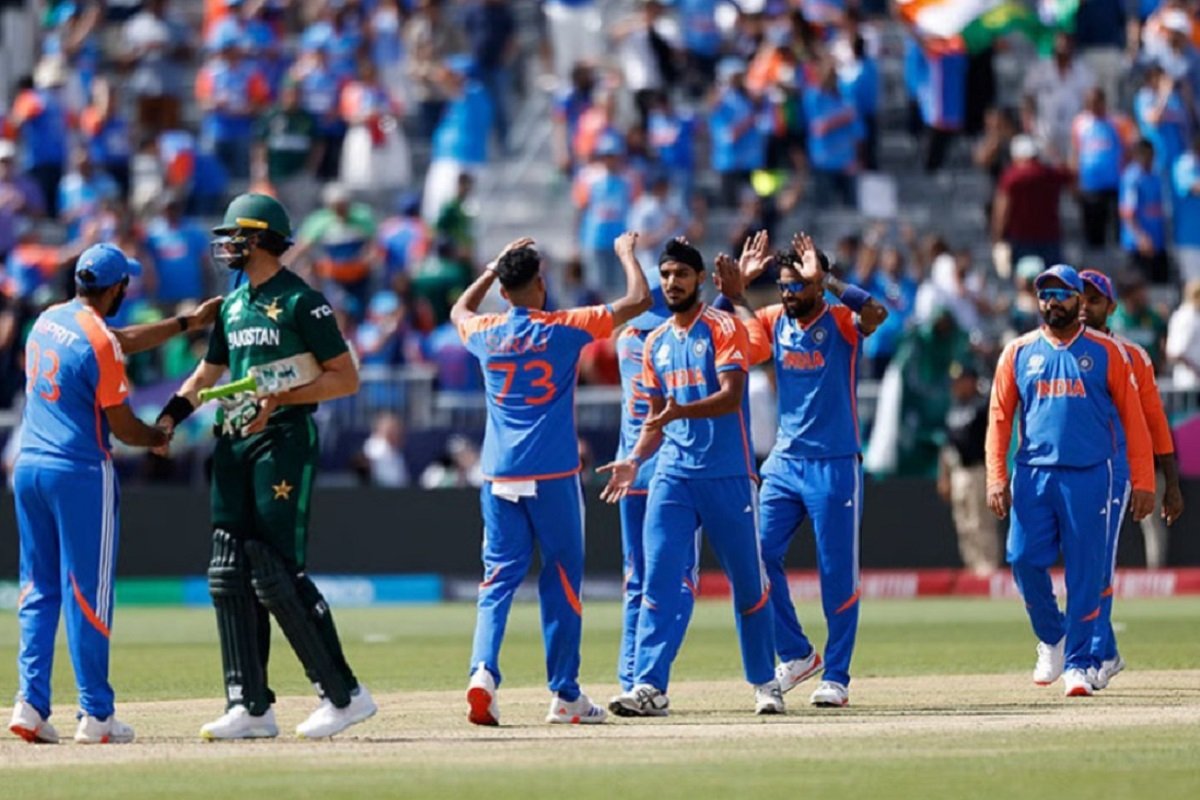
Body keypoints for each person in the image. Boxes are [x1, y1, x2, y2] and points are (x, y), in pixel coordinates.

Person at [154, 193, 377, 740]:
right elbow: (207, 375)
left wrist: (280, 399)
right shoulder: (232, 304)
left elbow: (345, 378)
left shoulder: (303, 302)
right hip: (233, 442)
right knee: (227, 570)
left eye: (235, 236)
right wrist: (170, 417)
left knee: (274, 571)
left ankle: (344, 695)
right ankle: (250, 706)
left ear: (258, 239)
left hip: (282, 441)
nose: (227, 245)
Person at [9, 243, 220, 745]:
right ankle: (96, 715)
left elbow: (116, 340)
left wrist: (186, 323)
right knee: (89, 592)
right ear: (118, 289)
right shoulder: (98, 342)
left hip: (29, 467)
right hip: (79, 472)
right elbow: (124, 426)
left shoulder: (49, 319)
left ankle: (30, 705)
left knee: (38, 589)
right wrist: (157, 436)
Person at [450, 231, 651, 726]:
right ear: (541, 283)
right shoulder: (565, 328)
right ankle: (564, 694)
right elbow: (639, 301)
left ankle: (482, 672)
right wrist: (626, 254)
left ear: (503, 290)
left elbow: (458, 310)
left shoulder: (486, 331)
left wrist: (491, 268)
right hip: (554, 475)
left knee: (497, 580)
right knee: (561, 580)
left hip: (498, 474)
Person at [598, 238, 782, 717]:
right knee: (658, 582)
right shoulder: (654, 343)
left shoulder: (723, 326)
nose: (671, 283)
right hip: (673, 476)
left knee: (748, 584)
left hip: (727, 475)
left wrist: (680, 411)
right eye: (665, 275)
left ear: (699, 279)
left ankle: (765, 682)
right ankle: (649, 685)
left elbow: (731, 395)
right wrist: (635, 459)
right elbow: (656, 419)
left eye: (681, 274)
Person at [725, 231, 888, 709]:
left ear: (817, 284)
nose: (789, 293)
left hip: (834, 463)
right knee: (754, 557)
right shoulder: (773, 319)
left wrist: (831, 281)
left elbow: (877, 314)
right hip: (784, 461)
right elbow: (727, 337)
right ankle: (796, 653)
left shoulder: (840, 321)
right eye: (783, 285)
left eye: (798, 285)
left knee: (836, 573)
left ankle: (836, 675)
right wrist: (736, 291)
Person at [986, 264, 1155, 698]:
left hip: (1090, 474)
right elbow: (1000, 418)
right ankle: (1053, 638)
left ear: (1078, 300)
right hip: (1033, 474)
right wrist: (996, 476)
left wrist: (1144, 480)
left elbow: (1135, 421)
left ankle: (1079, 664)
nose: (1052, 302)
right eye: (1045, 294)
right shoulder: (1018, 352)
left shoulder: (1107, 352)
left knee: (1086, 573)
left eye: (1061, 294)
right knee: (1022, 558)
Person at [1079, 269, 1184, 685]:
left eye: (1094, 300)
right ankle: (1104, 650)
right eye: (1079, 298)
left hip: (1117, 467)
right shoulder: (1056, 349)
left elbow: (1155, 421)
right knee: (1084, 560)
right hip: (1072, 469)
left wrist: (1168, 483)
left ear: (1111, 307)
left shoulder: (1132, 355)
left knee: (1098, 558)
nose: (1084, 307)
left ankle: (1095, 655)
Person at [612, 286, 696, 697]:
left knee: (637, 583)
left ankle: (629, 678)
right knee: (681, 582)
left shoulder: (625, 341)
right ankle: (649, 673)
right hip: (670, 473)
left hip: (629, 470)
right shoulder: (675, 345)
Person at [938, 362, 1000, 576]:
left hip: (979, 470)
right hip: (958, 471)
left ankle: (987, 567)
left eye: (961, 381)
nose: (956, 386)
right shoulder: (954, 408)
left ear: (971, 381)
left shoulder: (982, 406)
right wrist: (944, 476)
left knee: (980, 521)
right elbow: (947, 446)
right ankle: (972, 566)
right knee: (963, 523)